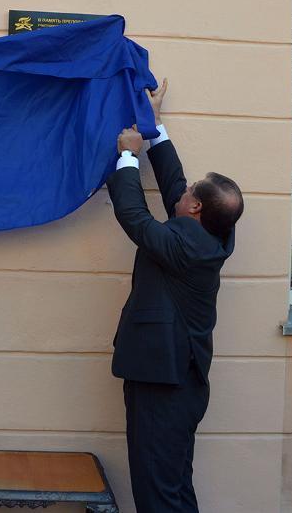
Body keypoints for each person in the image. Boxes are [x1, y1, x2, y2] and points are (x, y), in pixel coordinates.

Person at [106, 78, 244, 513]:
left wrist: (128, 155)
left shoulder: (185, 246)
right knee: (174, 487)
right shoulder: (212, 237)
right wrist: (155, 127)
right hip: (179, 381)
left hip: (163, 385)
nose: (181, 193)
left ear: (196, 209)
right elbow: (174, 187)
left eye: (189, 194)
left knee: (158, 494)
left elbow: (134, 216)